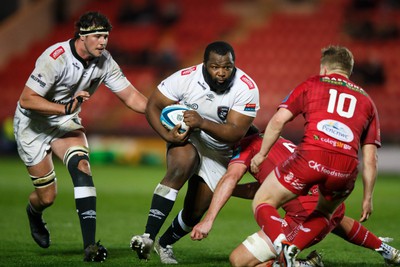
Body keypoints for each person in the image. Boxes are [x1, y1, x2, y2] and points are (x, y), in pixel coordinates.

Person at [13, 11, 148, 262]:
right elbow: (27, 99)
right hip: (33, 125)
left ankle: (90, 246)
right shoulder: (55, 58)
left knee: (82, 166)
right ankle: (34, 213)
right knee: (47, 197)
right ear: (82, 36)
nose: (103, 42)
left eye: (106, 36)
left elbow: (131, 97)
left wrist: (160, 112)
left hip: (64, 123)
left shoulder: (105, 60)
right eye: (98, 36)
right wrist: (65, 108)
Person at [249, 45, 381, 267]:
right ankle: (293, 249)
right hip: (345, 168)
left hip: (311, 157)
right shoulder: (367, 100)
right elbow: (370, 158)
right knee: (325, 212)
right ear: (348, 70)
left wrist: (262, 154)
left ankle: (281, 244)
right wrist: (368, 197)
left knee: (262, 201)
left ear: (324, 68)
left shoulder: (313, 83)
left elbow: (279, 120)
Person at [130, 41, 260, 264]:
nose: (221, 73)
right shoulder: (185, 77)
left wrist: (202, 122)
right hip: (191, 138)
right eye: (215, 67)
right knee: (181, 164)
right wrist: (167, 135)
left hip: (221, 153)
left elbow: (235, 134)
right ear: (204, 65)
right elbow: (153, 104)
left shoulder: (246, 88)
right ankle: (148, 237)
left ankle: (164, 243)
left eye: (227, 67)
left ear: (234, 65)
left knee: (194, 213)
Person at [191, 132, 399, 267]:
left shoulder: (245, 147)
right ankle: (386, 250)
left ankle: (306, 265)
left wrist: (208, 219)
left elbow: (231, 176)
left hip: (304, 217)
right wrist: (230, 191)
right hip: (330, 203)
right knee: (333, 218)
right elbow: (267, 186)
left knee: (239, 261)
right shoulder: (277, 140)